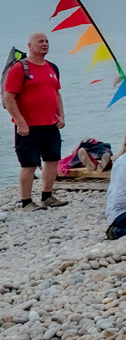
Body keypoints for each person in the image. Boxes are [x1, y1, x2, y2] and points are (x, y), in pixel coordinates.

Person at [3, 32, 68, 210]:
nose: (44, 44)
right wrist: (20, 122)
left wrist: (61, 115)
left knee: (52, 160)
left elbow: (56, 93)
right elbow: (9, 97)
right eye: (40, 42)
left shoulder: (52, 67)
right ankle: (26, 202)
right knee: (29, 164)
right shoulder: (20, 68)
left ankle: (47, 196)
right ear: (30, 45)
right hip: (28, 126)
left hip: (50, 124)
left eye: (46, 41)